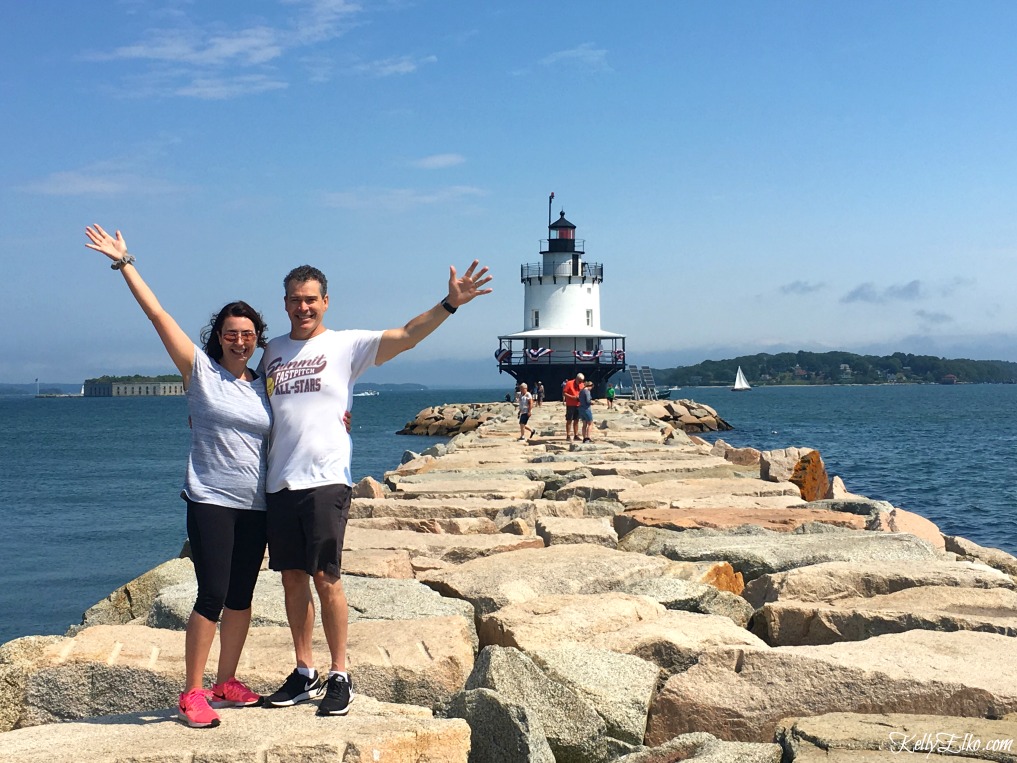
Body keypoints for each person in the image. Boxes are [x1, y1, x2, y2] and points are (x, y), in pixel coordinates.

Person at [260, 260, 492, 717]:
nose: (303, 306)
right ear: (284, 303)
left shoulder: (346, 345)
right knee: (291, 580)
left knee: (327, 579)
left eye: (311, 299)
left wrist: (450, 303)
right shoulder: (271, 351)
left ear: (325, 302)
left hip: (325, 481)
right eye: (294, 299)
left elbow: (405, 335)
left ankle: (340, 673)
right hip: (278, 481)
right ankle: (304, 672)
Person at [84, 225, 270, 729]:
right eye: (231, 333)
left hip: (257, 504)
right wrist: (126, 263)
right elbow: (158, 315)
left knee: (241, 597)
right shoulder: (199, 370)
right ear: (219, 337)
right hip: (210, 498)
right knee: (210, 593)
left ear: (257, 340)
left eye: (248, 334)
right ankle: (191, 692)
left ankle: (226, 680)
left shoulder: (264, 385)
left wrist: (339, 416)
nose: (239, 340)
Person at [562, 372, 584, 441]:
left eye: (581, 381)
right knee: (569, 420)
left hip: (578, 405)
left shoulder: (582, 385)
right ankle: (568, 435)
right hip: (570, 404)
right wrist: (572, 397)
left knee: (576, 420)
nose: (580, 382)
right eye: (579, 381)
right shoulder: (569, 383)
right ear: (576, 378)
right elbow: (564, 393)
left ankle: (576, 435)